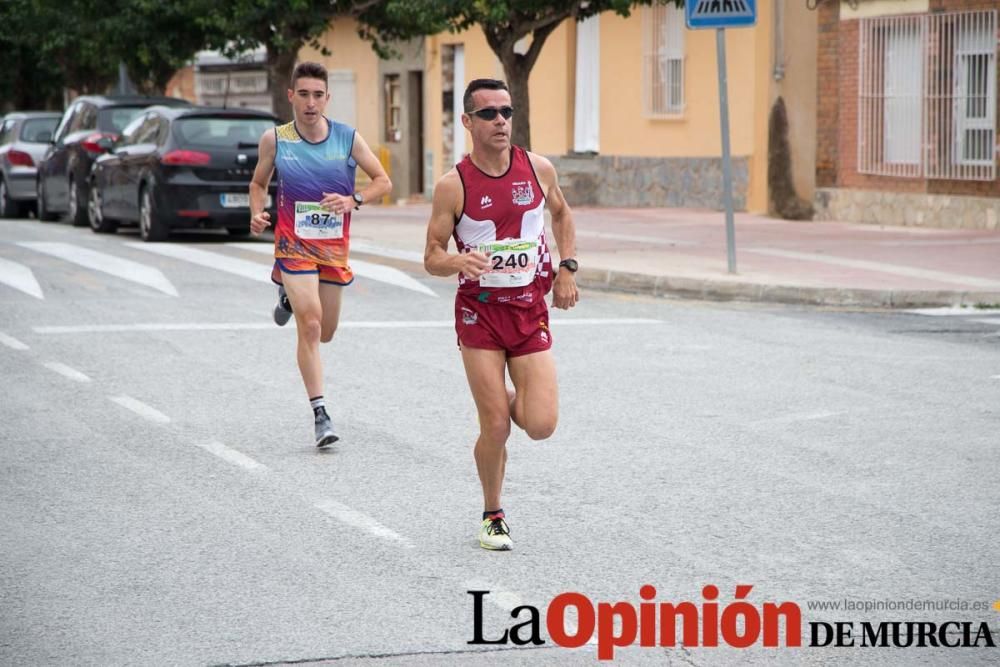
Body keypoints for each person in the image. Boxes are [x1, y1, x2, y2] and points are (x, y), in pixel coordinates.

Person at [424, 78, 580, 550]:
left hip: (529, 309)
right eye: (489, 113)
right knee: (495, 425)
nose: (500, 121)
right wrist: (457, 260)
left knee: (540, 425)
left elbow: (563, 215)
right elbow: (431, 255)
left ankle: (511, 396)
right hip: (481, 315)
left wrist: (567, 268)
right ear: (468, 122)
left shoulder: (538, 169)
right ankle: (493, 515)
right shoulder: (453, 186)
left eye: (506, 112)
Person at [250, 61, 391, 448]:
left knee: (325, 331)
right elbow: (258, 182)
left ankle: (289, 300)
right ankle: (320, 414)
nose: (311, 103)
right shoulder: (275, 140)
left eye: (318, 95)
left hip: (332, 249)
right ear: (291, 96)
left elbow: (383, 181)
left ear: (327, 98)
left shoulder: (347, 138)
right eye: (304, 95)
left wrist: (353, 199)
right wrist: (256, 212)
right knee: (310, 326)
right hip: (293, 246)